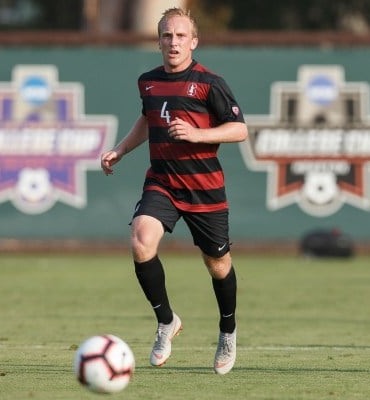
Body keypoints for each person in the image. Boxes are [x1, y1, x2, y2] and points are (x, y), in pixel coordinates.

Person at [100, 7, 248, 375]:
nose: (174, 42)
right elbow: (147, 119)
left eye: (181, 36)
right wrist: (120, 149)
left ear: (193, 42)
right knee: (140, 240)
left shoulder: (210, 83)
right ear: (159, 41)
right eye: (167, 35)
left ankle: (228, 331)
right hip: (163, 181)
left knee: (218, 265)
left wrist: (200, 134)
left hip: (204, 188)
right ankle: (166, 321)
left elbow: (239, 129)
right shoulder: (148, 81)